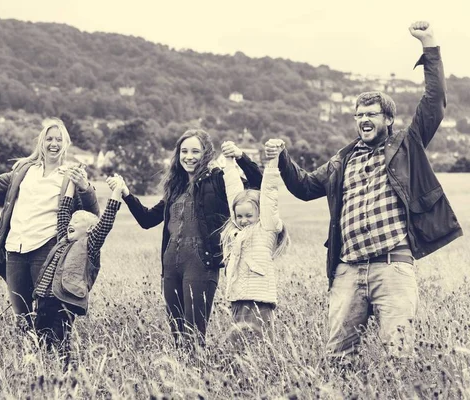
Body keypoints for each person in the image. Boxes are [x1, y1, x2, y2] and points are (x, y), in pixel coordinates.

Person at [266, 22, 462, 360]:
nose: (363, 119)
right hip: (349, 269)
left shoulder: (406, 145)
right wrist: (283, 157)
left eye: (371, 114)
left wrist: (429, 46)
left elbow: (434, 102)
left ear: (388, 119)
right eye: (358, 115)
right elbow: (304, 187)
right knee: (337, 356)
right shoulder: (342, 160)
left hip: (393, 266)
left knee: (397, 355)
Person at [109, 129, 263, 350]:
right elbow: (146, 219)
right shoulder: (175, 188)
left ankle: (198, 374)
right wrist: (125, 193)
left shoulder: (218, 179)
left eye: (195, 151)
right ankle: (181, 376)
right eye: (184, 151)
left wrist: (241, 157)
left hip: (201, 263)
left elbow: (257, 184)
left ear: (206, 153)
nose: (189, 156)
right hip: (171, 263)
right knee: (177, 332)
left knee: (194, 331)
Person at [0, 118, 99, 326]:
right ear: (41, 142)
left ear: (66, 144)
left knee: (48, 314)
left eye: (59, 140)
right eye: (49, 139)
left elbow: (92, 213)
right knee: (22, 318)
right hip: (15, 249)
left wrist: (85, 187)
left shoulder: (70, 176)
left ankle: (51, 355)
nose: (54, 143)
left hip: (46, 249)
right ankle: (27, 355)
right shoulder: (23, 170)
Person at [31, 174, 125, 350]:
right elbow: (63, 211)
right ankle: (43, 367)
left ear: (89, 229)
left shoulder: (90, 244)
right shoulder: (63, 239)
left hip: (64, 301)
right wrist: (72, 184)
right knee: (40, 341)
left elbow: (106, 221)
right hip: (44, 298)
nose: (70, 223)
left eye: (76, 222)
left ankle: (63, 370)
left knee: (60, 341)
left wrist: (117, 191)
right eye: (71, 221)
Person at [220, 140, 290, 339]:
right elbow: (233, 191)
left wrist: (273, 161)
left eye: (248, 216)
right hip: (237, 298)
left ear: (259, 213)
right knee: (238, 351)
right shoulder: (236, 229)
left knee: (261, 347)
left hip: (259, 299)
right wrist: (228, 160)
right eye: (239, 216)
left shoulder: (266, 226)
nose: (243, 221)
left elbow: (269, 193)